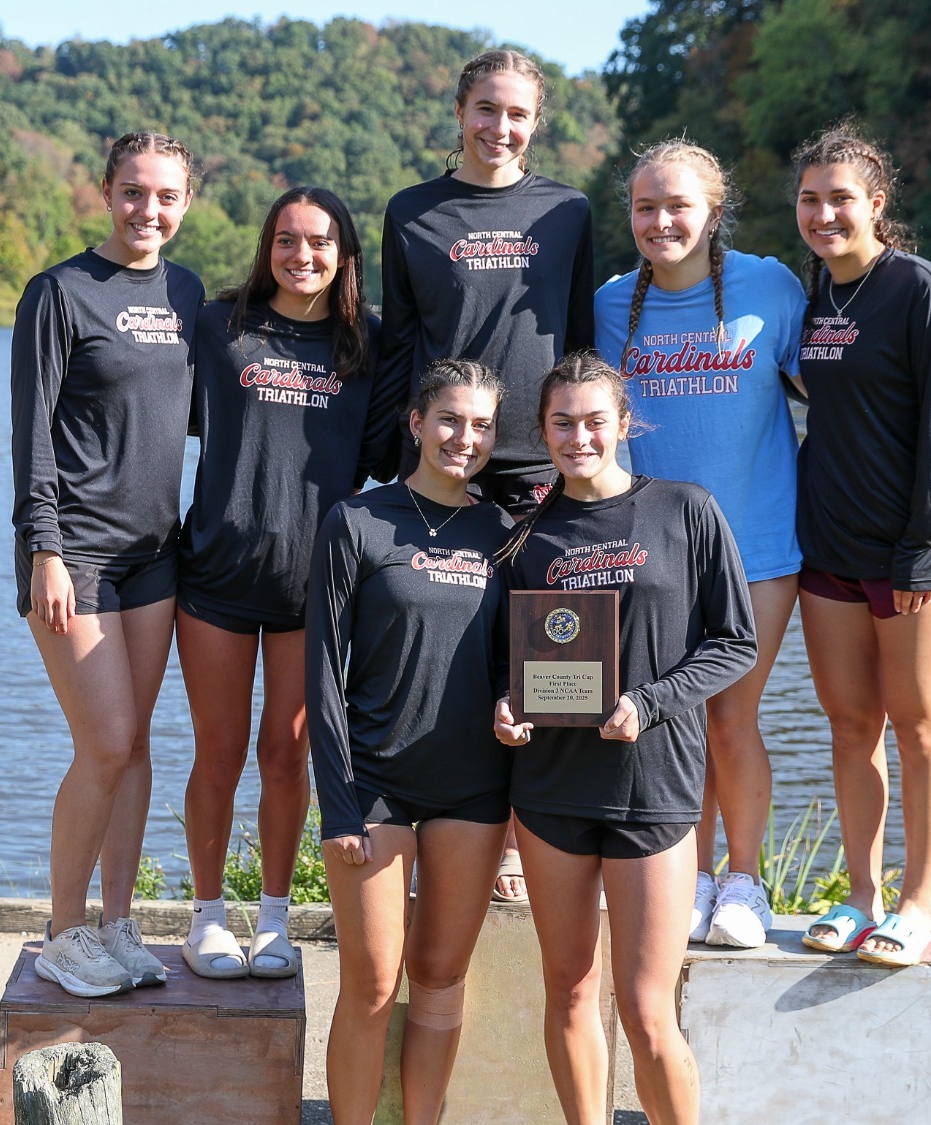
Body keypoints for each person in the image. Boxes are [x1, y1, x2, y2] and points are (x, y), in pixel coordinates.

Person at [492, 352, 756, 1125]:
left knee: (645, 1009)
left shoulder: (685, 509)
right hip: (551, 791)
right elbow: (502, 659)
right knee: (570, 990)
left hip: (653, 789)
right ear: (543, 430)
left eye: (594, 421)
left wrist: (651, 701)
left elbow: (734, 641)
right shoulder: (524, 536)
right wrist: (505, 704)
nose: (579, 437)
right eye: (562, 423)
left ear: (624, 423)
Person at [378, 47, 597, 901]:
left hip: (540, 463)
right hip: (447, 462)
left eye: (517, 114)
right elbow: (402, 347)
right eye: (486, 109)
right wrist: (384, 465)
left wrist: (590, 455)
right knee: (454, 649)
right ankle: (442, 830)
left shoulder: (567, 211)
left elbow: (580, 342)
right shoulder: (412, 212)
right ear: (460, 110)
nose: (499, 127)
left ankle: (528, 841)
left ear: (535, 123)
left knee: (548, 653)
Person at [177, 187, 403, 980]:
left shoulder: (367, 342)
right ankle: (207, 916)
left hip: (316, 584)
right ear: (266, 246)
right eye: (286, 239)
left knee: (287, 751)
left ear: (345, 255)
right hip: (216, 573)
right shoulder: (219, 326)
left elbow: (385, 459)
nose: (301, 255)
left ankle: (274, 919)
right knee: (218, 753)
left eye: (319, 242)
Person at [594, 139, 806, 949]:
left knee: (730, 719)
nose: (661, 221)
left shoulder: (771, 287)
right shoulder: (611, 304)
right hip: (651, 555)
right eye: (645, 207)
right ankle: (692, 873)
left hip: (757, 546)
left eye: (678, 205)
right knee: (669, 721)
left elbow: (839, 389)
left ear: (714, 213)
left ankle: (744, 881)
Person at [11, 131, 202, 996]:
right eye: (133, 191)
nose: (146, 210)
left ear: (185, 204)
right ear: (105, 192)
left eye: (165, 196)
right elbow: (31, 436)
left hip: (154, 553)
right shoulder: (58, 293)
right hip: (75, 552)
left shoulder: (187, 293)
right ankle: (63, 930)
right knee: (106, 742)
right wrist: (44, 549)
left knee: (138, 745)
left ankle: (119, 922)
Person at [788, 122, 931, 968]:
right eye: (810, 199)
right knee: (850, 723)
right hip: (829, 546)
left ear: (876, 202)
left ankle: (918, 906)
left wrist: (921, 552)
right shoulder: (816, 295)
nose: (824, 214)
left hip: (913, 554)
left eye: (840, 198)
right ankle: (861, 896)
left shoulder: (921, 291)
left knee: (920, 725)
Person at [308, 360, 515, 1125]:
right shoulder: (357, 521)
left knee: (437, 978)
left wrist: (512, 704)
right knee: (371, 983)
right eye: (451, 419)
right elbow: (321, 674)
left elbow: (512, 664)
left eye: (482, 425)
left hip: (473, 789)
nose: (466, 437)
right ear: (417, 422)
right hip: (375, 785)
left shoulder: (503, 533)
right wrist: (337, 806)